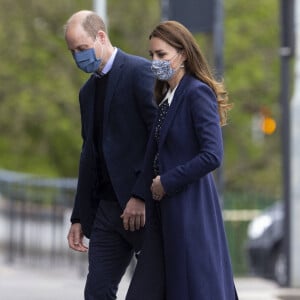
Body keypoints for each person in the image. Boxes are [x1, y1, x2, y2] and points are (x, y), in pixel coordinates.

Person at [137, 20, 239, 299]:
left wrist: (167, 182)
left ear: (182, 55)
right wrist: (139, 194)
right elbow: (154, 152)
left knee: (192, 286)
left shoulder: (196, 93)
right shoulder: (167, 96)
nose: (155, 61)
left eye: (162, 55)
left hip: (189, 208)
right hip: (164, 210)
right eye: (152, 55)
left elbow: (212, 154)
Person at [64, 10, 158, 299]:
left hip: (144, 211)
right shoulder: (87, 92)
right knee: (97, 292)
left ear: (101, 37)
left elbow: (160, 139)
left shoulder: (140, 72)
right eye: (73, 52)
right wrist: (79, 217)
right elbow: (88, 154)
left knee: (153, 290)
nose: (79, 56)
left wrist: (141, 195)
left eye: (82, 48)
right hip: (107, 212)